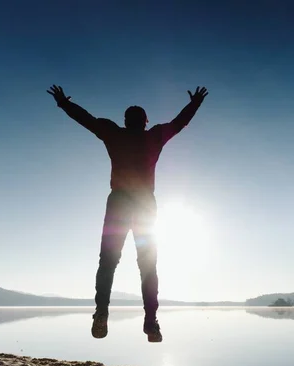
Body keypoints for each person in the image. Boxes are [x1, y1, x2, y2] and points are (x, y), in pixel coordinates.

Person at [47, 84, 208, 342]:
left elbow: (85, 119)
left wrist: (63, 103)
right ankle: (150, 321)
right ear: (145, 122)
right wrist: (195, 103)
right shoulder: (154, 136)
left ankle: (101, 312)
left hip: (119, 203)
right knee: (147, 266)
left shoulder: (113, 133)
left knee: (108, 262)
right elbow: (179, 123)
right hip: (144, 205)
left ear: (125, 121)